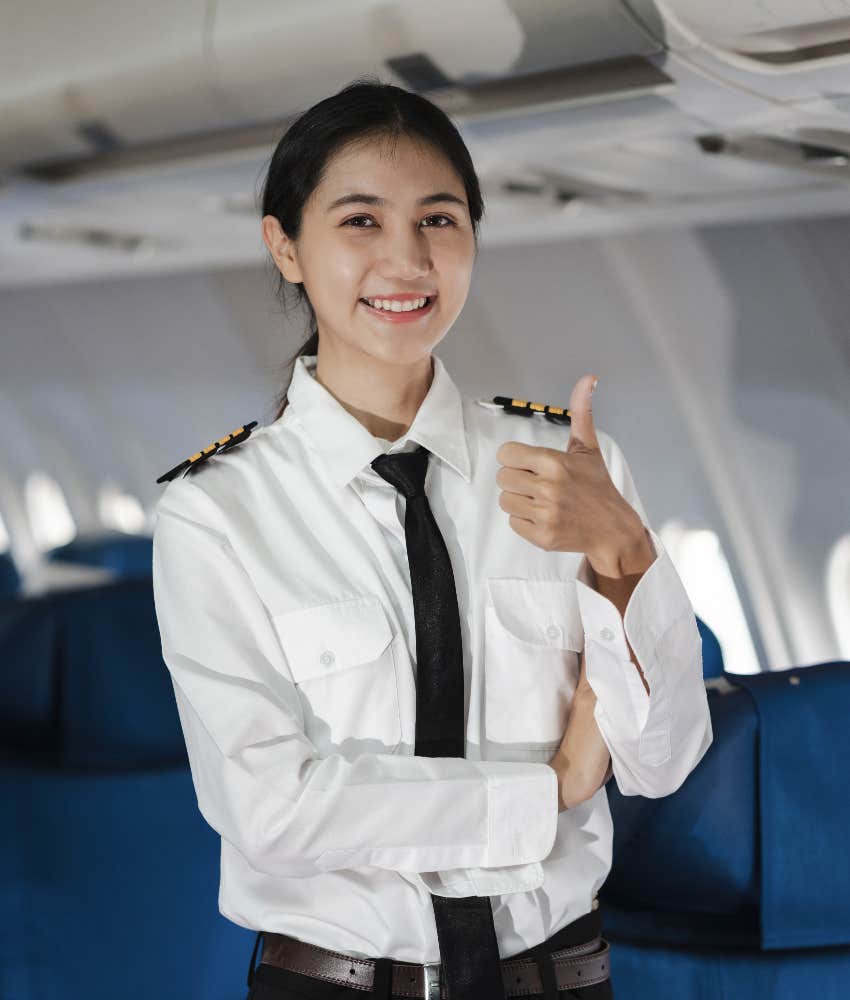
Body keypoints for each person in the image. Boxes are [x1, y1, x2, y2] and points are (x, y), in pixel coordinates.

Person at [152, 78, 713, 1000]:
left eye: (440, 221)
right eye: (361, 222)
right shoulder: (216, 512)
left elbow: (662, 760)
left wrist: (624, 551)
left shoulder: (571, 465)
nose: (407, 260)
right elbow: (274, 809)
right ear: (285, 245)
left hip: (565, 980)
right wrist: (554, 787)